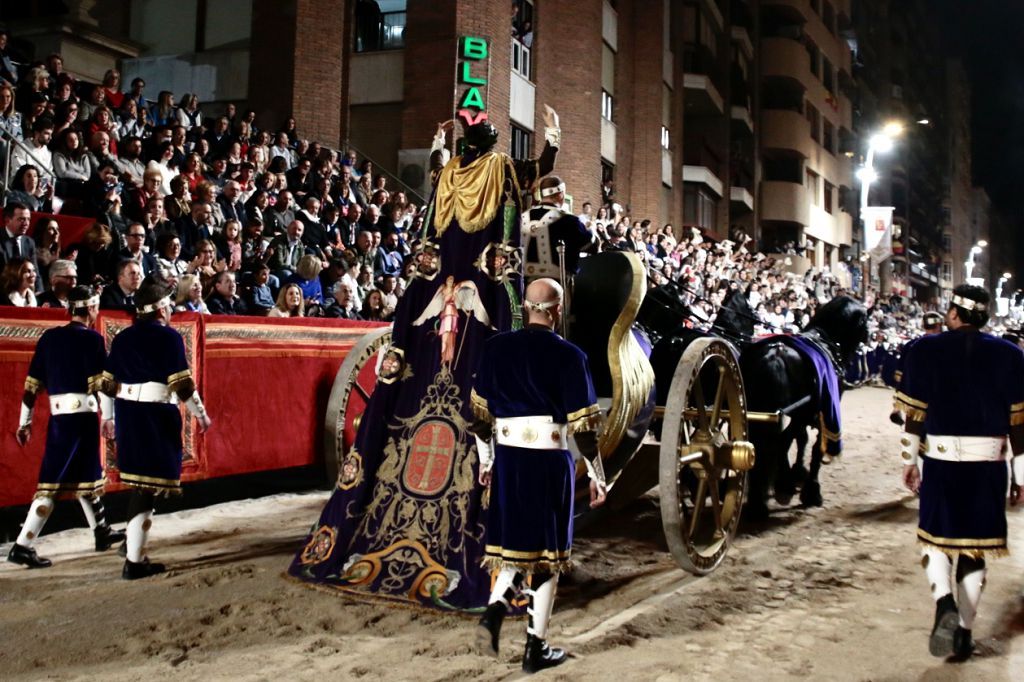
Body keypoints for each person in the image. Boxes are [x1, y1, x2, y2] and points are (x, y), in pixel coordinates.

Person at [287, 107, 562, 610]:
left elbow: (436, 212)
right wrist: (552, 140)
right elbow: (535, 171)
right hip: (478, 325)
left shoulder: (447, 176)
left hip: (429, 327)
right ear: (492, 142)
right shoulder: (499, 170)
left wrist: (439, 144)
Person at [470, 278, 606, 672]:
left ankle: (493, 612)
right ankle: (536, 649)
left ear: (526, 307)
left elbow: (478, 421)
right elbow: (585, 431)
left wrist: (487, 462)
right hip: (549, 464)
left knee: (514, 546)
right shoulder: (571, 356)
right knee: (547, 557)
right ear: (557, 310)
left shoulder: (494, 350)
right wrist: (599, 476)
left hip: (509, 459)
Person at [897, 285, 1024, 660]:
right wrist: (1021, 477)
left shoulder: (924, 350)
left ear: (954, 314)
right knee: (975, 548)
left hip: (939, 462)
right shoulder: (1011, 356)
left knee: (935, 541)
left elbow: (912, 417)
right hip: (987, 466)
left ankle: (943, 604)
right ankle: (965, 634)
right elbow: (1019, 426)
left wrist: (908, 462)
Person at [100, 276, 212, 579]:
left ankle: (131, 544)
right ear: (161, 309)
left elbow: (106, 384)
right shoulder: (169, 338)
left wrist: (107, 417)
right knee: (147, 487)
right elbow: (182, 384)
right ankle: (134, 561)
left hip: (128, 415)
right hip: (153, 417)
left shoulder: (122, 338)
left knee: (141, 484)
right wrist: (200, 414)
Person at [8, 286, 126, 569]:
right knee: (51, 483)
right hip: (81, 418)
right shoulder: (93, 340)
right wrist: (109, 419)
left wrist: (24, 422)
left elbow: (30, 386)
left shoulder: (49, 338)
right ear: (91, 309)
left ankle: (101, 531)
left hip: (61, 417)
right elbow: (105, 385)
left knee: (86, 477)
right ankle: (22, 545)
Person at [522, 175, 595, 282]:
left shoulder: (522, 217)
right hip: (558, 286)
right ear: (561, 195)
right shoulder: (569, 219)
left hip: (523, 285)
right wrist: (591, 229)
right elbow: (588, 243)